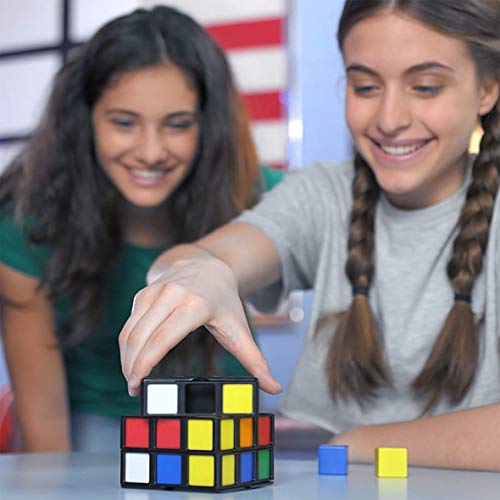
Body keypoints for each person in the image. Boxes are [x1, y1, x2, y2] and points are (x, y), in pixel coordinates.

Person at [118, 0, 500, 471]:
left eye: (425, 86)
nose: (389, 117)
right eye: (364, 86)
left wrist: (353, 443)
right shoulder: (322, 196)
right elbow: (210, 255)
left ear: (487, 88)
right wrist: (195, 271)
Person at [0, 6, 283, 453]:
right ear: (85, 119)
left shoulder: (257, 192)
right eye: (124, 122)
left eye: (178, 124)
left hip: (223, 425)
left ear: (208, 126)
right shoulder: (24, 222)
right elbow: (45, 429)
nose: (151, 152)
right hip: (91, 432)